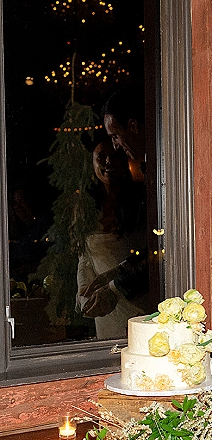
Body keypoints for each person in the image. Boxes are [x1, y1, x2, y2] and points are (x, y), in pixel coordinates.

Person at [77, 137, 145, 337]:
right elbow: (84, 257)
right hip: (102, 304)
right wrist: (84, 293)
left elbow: (149, 253)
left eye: (114, 156)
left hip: (135, 297)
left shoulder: (141, 203)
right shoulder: (88, 208)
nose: (107, 162)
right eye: (101, 156)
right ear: (92, 161)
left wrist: (113, 283)